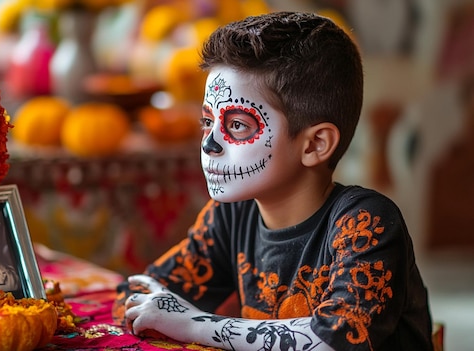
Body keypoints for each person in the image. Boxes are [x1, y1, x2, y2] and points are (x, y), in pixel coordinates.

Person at [112, 11, 433, 351]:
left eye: (237, 125)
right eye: (207, 122)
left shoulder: (367, 224)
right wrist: (161, 310)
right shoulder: (231, 217)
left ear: (315, 144)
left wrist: (192, 323)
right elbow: (142, 293)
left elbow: (333, 341)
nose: (209, 144)